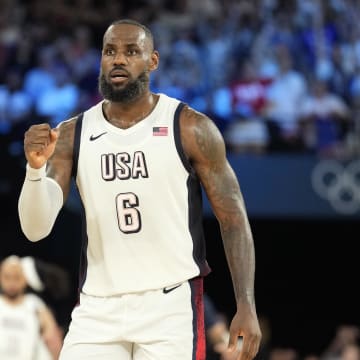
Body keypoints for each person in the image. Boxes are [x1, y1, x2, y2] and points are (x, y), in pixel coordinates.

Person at [18, 19, 261, 360]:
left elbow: (233, 219)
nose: (118, 59)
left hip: (169, 306)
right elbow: (34, 229)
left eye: (132, 51)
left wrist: (246, 304)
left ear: (153, 61)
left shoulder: (190, 127)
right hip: (98, 308)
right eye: (110, 51)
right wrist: (34, 169)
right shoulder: (72, 134)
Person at [0, 255, 62, 360]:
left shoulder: (35, 305)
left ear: (25, 279)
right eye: (7, 277)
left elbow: (53, 340)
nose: (11, 283)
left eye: (16, 277)